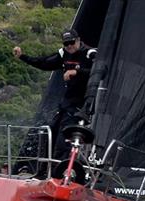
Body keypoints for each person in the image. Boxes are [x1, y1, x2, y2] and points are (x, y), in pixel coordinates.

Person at [13, 29, 97, 160]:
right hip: (66, 103)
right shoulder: (64, 53)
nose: (69, 46)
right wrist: (23, 56)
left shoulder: (89, 53)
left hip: (82, 104)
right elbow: (44, 63)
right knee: (50, 133)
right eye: (66, 43)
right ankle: (44, 170)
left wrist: (76, 72)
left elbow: (100, 70)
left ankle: (59, 171)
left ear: (78, 40)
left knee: (63, 141)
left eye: (71, 42)